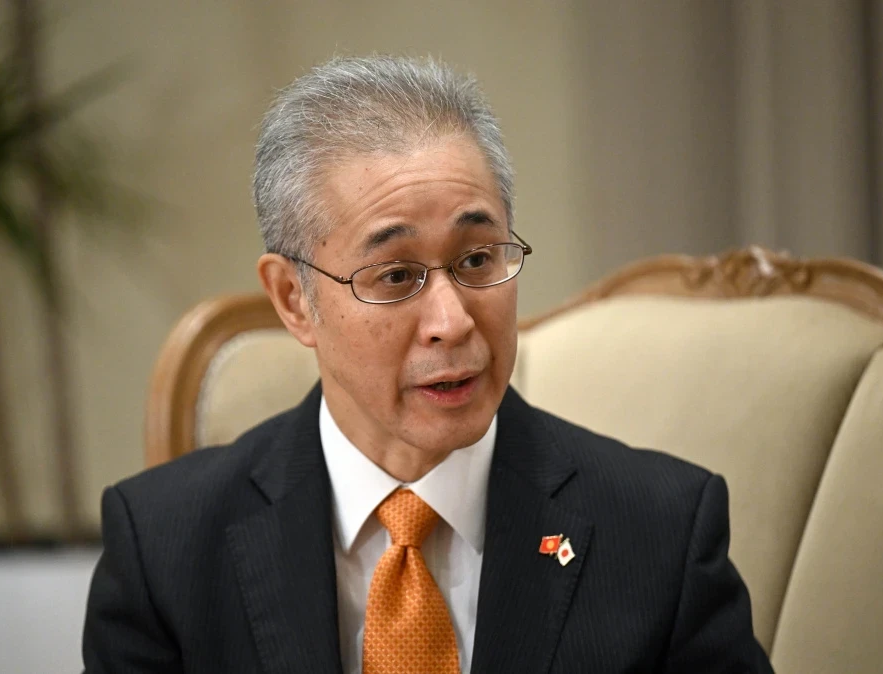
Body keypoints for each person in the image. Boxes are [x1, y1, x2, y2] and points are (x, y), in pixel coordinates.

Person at [82, 55, 774, 673]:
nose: (453, 321)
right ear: (294, 300)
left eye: (477, 259)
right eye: (395, 276)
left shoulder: (658, 532)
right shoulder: (165, 546)